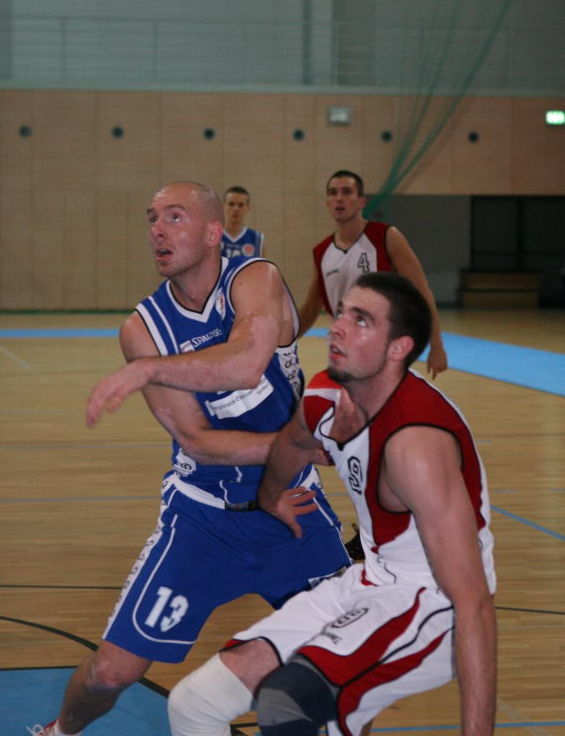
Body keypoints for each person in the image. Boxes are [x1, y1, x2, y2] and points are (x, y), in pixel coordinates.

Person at [28, 182, 349, 736]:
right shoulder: (142, 329)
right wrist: (295, 447)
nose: (157, 229)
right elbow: (196, 439)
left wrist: (148, 370)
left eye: (174, 217)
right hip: (203, 521)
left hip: (293, 512)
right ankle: (58, 732)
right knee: (109, 673)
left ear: (213, 232)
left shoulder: (256, 278)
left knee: (348, 657)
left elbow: (248, 362)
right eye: (151, 218)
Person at [168, 272, 497, 736]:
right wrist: (271, 498)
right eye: (341, 312)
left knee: (287, 705)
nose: (337, 326)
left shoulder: (416, 446)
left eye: (361, 320)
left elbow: (474, 604)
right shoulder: (326, 394)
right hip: (370, 582)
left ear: (398, 348)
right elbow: (292, 443)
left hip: (436, 606)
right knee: (194, 704)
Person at [298, 169, 447, 379]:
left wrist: (437, 345)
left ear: (361, 202)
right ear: (327, 203)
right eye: (333, 193)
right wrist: (281, 345)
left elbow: (422, 292)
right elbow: (311, 308)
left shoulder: (387, 237)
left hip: (385, 348)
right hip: (344, 348)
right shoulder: (321, 252)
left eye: (347, 192)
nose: (339, 198)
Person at [221, 185, 265, 259]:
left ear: (248, 208)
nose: (235, 209)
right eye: (231, 204)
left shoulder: (257, 239)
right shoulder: (213, 237)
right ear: (223, 206)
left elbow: (261, 265)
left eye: (240, 205)